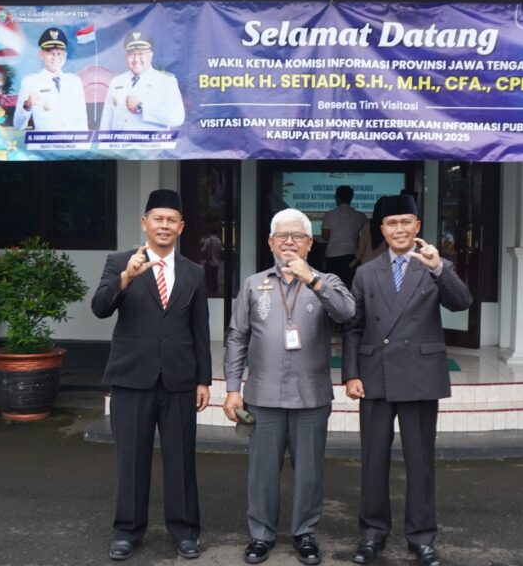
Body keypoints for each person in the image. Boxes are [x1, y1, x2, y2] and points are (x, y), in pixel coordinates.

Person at [343, 194, 472, 566]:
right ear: (381, 229)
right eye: (391, 223)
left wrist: (439, 269)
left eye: (405, 222)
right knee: (373, 460)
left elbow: (462, 302)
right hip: (375, 376)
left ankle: (422, 537)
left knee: (420, 462)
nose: (399, 229)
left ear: (417, 226)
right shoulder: (366, 272)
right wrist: (351, 374)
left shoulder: (435, 264)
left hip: (419, 376)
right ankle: (372, 533)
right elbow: (353, 328)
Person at [222, 208, 355, 566]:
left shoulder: (328, 281)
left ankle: (304, 533)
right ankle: (261, 535)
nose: (290, 242)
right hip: (262, 395)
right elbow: (237, 337)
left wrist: (313, 281)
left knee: (309, 471)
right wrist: (233, 388)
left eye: (298, 236)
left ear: (310, 243)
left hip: (311, 395)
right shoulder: (253, 284)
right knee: (262, 471)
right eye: (282, 236)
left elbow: (347, 313)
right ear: (270, 242)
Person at [90, 189, 212, 562]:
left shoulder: (193, 271)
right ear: (145, 223)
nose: (164, 225)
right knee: (131, 459)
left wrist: (203, 380)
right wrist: (126, 277)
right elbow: (99, 307)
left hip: (179, 379)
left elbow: (200, 329)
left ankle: (185, 531)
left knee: (181, 460)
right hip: (131, 377)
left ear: (181, 227)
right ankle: (127, 531)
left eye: (171, 220)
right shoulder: (120, 262)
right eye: (158, 218)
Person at [99, 31, 186, 131]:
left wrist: (141, 107)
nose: (136, 59)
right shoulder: (116, 82)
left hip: (150, 141)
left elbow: (176, 118)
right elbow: (106, 122)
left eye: (141, 54)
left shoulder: (166, 82)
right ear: (126, 57)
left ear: (150, 56)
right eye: (131, 54)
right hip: (118, 141)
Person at [13, 27, 89, 131]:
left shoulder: (74, 82)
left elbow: (82, 121)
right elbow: (18, 125)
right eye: (50, 52)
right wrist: (27, 105)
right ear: (41, 54)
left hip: (71, 140)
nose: (55, 57)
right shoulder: (30, 82)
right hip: (44, 141)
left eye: (59, 53)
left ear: (65, 55)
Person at [321, 185, 367, 288]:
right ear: (351, 198)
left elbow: (325, 235)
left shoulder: (329, 214)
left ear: (337, 198)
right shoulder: (360, 216)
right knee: (348, 286)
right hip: (351, 255)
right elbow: (366, 235)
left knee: (332, 287)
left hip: (332, 255)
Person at [353, 195, 388, 267]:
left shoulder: (368, 224)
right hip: (385, 265)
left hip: (367, 264)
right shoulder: (392, 226)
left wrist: (354, 262)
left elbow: (361, 249)